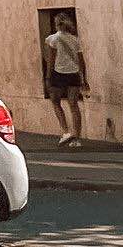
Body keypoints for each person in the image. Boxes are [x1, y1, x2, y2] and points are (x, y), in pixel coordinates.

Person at [43, 9, 87, 147]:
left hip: (58, 73)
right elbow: (81, 61)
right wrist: (83, 78)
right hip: (73, 74)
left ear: (56, 24)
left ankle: (65, 131)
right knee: (74, 105)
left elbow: (51, 59)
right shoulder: (75, 40)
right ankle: (77, 138)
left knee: (56, 102)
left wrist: (48, 77)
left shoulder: (52, 39)